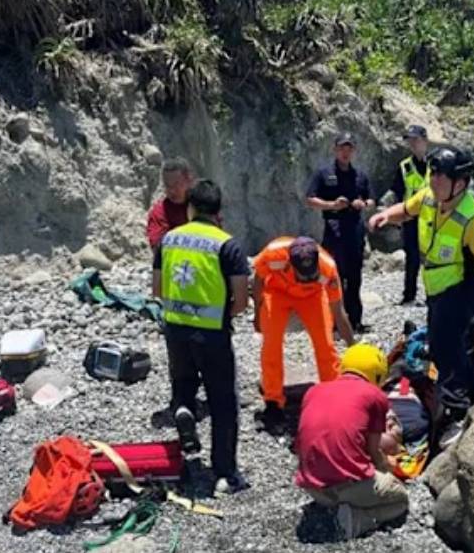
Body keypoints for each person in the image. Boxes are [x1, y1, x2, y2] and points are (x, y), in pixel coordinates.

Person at [367, 147, 474, 445]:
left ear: (459, 183)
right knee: (440, 341)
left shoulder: (473, 220)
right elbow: (407, 209)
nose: (433, 180)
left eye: (440, 176)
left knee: (446, 346)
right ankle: (472, 365)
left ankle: (455, 413)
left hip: (462, 288)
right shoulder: (430, 197)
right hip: (436, 288)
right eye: (431, 173)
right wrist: (385, 215)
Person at [152, 179, 250, 494]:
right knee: (223, 401)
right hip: (211, 334)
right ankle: (225, 473)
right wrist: (220, 314)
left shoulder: (168, 240)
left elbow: (157, 289)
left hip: (175, 328)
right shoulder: (227, 245)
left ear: (190, 207)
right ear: (218, 210)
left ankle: (184, 408)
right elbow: (241, 300)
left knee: (183, 382)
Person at [294, 344, 410, 540]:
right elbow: (374, 451)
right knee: (400, 501)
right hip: (348, 486)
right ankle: (359, 520)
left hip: (313, 488)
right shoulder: (374, 395)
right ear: (377, 375)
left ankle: (337, 505)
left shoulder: (314, 391)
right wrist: (387, 469)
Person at [251, 236, 356, 432]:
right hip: (277, 292)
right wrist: (257, 313)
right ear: (290, 264)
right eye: (303, 276)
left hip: (312, 297)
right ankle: (273, 402)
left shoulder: (328, 268)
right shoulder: (273, 254)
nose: (307, 279)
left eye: (311, 275)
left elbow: (338, 312)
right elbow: (258, 280)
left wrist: (354, 348)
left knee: (326, 344)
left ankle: (332, 395)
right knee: (271, 344)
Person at [306, 133, 374, 331]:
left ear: (353, 151)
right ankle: (334, 321)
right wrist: (332, 205)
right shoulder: (323, 173)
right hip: (333, 229)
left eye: (349, 148)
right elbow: (310, 199)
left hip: (355, 229)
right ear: (335, 150)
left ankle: (355, 321)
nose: (345, 152)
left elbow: (372, 199)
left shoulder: (360, 175)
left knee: (355, 277)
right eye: (342, 148)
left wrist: (363, 204)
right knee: (334, 277)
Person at [390, 125, 430, 305]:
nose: (413, 143)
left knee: (432, 257)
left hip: (433, 218)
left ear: (425, 140)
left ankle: (433, 294)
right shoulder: (404, 166)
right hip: (411, 218)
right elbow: (397, 192)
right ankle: (409, 295)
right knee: (412, 258)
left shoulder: (437, 163)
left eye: (416, 139)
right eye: (410, 140)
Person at [146, 158, 194, 253]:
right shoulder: (160, 212)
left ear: (189, 180)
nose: (172, 190)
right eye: (167, 185)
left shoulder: (202, 205)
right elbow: (158, 248)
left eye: (177, 184)